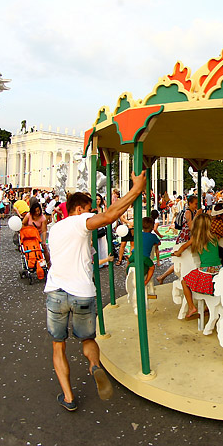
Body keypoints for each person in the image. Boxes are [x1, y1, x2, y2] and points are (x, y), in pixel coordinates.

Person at [45, 171, 146, 411]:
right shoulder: (79, 222)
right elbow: (110, 216)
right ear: (79, 210)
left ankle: (68, 397)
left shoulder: (55, 229)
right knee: (87, 339)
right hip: (82, 291)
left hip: (56, 291)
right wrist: (136, 190)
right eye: (90, 209)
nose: (93, 213)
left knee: (58, 345)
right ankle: (94, 366)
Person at [173, 213, 220, 319]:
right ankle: (207, 306)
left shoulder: (196, 238)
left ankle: (191, 307)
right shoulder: (214, 237)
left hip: (206, 273)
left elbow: (183, 247)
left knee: (184, 281)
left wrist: (177, 253)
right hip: (218, 271)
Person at [156, 195, 200, 284]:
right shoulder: (188, 212)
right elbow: (191, 227)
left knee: (182, 259)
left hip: (187, 237)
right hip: (185, 238)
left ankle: (163, 277)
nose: (197, 205)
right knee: (182, 259)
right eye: (195, 203)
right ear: (190, 203)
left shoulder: (192, 211)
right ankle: (163, 276)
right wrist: (198, 216)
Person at [129, 217, 161, 286]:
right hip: (144, 257)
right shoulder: (153, 236)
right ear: (152, 227)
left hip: (134, 254)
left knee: (129, 261)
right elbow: (158, 243)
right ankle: (146, 281)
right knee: (152, 267)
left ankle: (127, 274)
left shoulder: (138, 234)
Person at [22, 201, 51, 269]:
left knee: (44, 249)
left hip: (38, 234)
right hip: (30, 235)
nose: (37, 213)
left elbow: (44, 230)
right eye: (36, 211)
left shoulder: (42, 218)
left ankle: (48, 264)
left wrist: (43, 241)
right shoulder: (29, 215)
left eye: (38, 211)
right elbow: (23, 223)